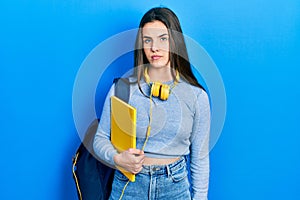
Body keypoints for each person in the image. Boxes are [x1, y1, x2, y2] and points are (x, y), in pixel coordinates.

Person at [93, 7, 210, 200]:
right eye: (148, 40)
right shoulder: (122, 89)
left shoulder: (197, 97)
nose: (154, 47)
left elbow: (200, 159)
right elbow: (100, 139)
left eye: (163, 38)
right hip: (128, 185)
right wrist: (117, 158)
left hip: (175, 187)